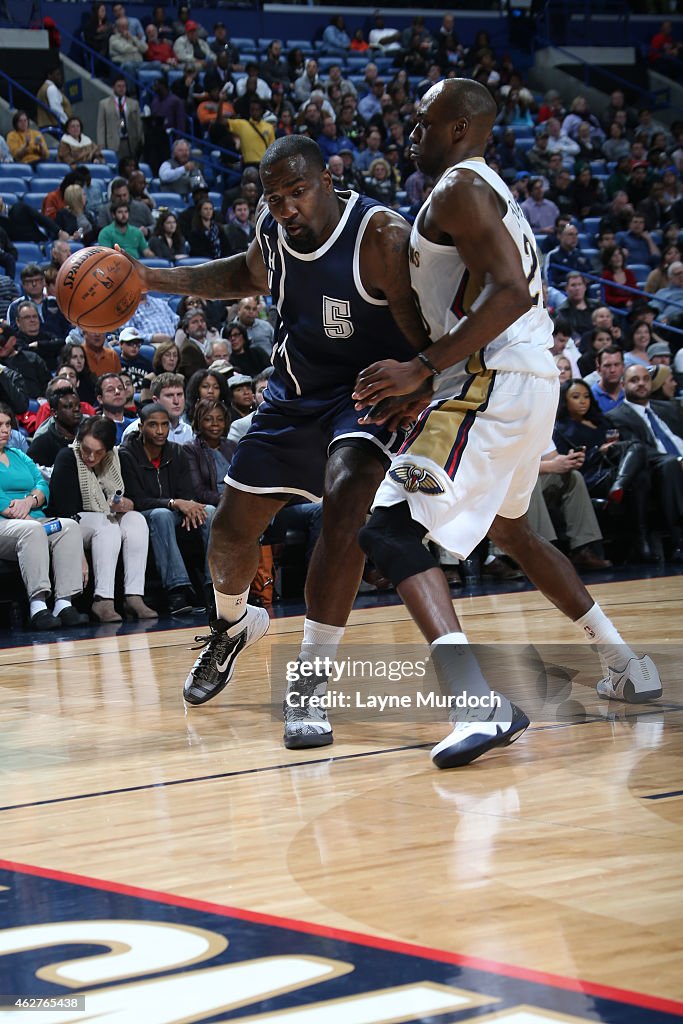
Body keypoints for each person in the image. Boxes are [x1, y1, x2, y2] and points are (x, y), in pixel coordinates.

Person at [351, 79, 663, 771]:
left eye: (424, 120)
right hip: (523, 377)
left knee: (387, 526)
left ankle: (476, 706)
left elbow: (509, 292)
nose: (410, 131)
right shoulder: (484, 189)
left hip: (490, 375)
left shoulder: (460, 188)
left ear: (461, 128)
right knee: (513, 530)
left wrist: (421, 370)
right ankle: (625, 663)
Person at [120, 134, 425, 732]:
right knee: (230, 532)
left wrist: (423, 383)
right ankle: (235, 624)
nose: (286, 208)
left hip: (366, 394)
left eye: (297, 192)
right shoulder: (272, 228)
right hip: (291, 394)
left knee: (345, 507)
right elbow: (247, 273)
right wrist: (151, 277)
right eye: (274, 196)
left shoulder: (380, 236)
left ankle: (310, 681)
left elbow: (428, 326)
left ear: (328, 182)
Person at [48, 415, 156, 622]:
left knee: (136, 520)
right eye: (86, 449)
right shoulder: (67, 457)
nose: (90, 456)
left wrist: (126, 504)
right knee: (107, 527)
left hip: (106, 518)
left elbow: (137, 499)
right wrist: (78, 554)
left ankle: (134, 596)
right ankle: (103, 600)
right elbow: (64, 511)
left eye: (97, 453)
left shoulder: (118, 458)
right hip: (70, 522)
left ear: (107, 450)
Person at [119, 402, 216, 614]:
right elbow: (137, 499)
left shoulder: (176, 451)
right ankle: (177, 591)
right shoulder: (127, 454)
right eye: (153, 425)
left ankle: (213, 587)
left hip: (174, 511)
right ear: (141, 427)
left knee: (208, 512)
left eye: (164, 425)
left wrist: (186, 505)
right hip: (143, 516)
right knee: (161, 515)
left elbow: (187, 492)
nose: (161, 431)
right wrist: (173, 503)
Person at [0, 403, 88, 630]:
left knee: (68, 526)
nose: (5, 430)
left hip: (33, 520)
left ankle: (63, 603)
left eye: (8, 424)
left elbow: (42, 484)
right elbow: (4, 507)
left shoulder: (18, 454)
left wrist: (30, 501)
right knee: (33, 530)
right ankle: (38, 606)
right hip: (6, 525)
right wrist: (26, 516)